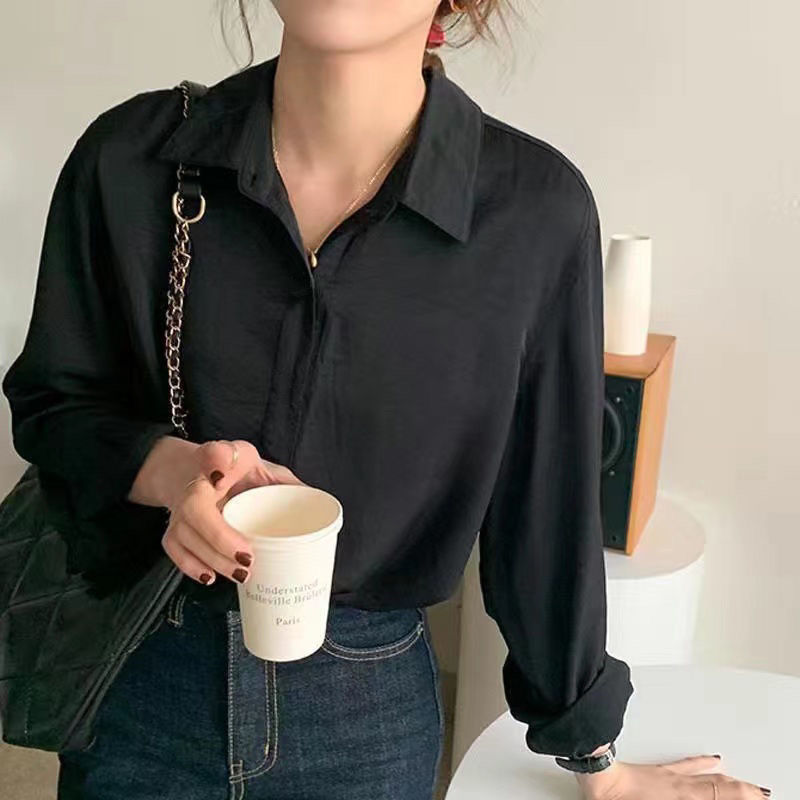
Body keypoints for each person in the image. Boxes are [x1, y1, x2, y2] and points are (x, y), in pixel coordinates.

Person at [1, 1, 771, 799]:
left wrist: (595, 759)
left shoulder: (530, 211)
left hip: (362, 717)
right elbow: (56, 401)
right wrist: (172, 472)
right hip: (137, 674)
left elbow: (544, 510)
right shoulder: (134, 157)